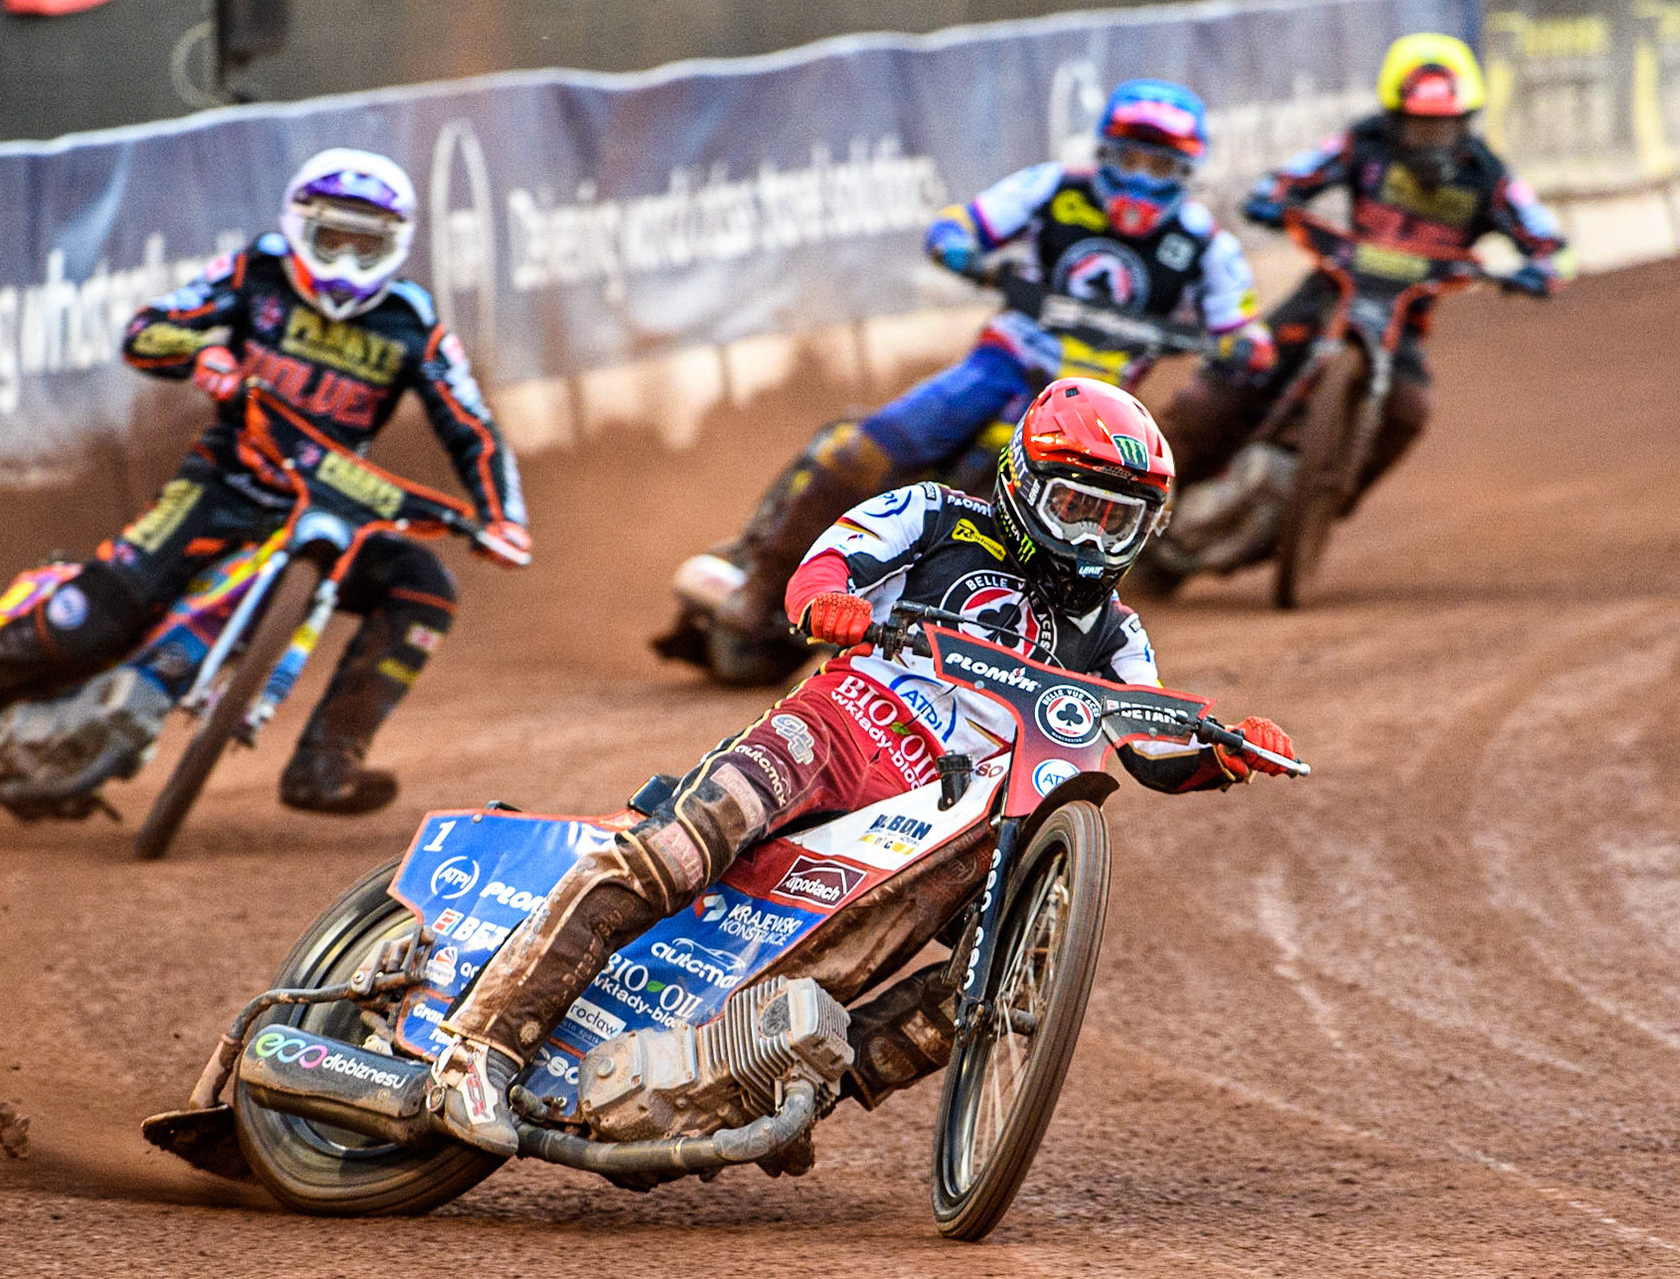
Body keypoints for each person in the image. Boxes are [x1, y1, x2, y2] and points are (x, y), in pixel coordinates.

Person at [430, 378, 1298, 1154]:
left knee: (986, 983)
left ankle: (783, 1086)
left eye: (1118, 522)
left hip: (947, 816)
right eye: (1077, 508)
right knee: (680, 850)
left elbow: (1153, 743)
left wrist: (1226, 750)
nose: (1092, 541)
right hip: (839, 730)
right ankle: (478, 1047)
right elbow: (825, 563)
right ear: (1027, 486)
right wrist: (829, 602)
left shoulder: (1118, 631)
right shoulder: (935, 515)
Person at [0, 147, 531, 815]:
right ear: (301, 226)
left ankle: (326, 762)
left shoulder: (413, 323)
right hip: (222, 483)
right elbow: (145, 332)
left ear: (397, 245)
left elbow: (470, 425)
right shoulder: (255, 271)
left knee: (425, 587)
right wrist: (201, 349)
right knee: (98, 619)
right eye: (333, 239)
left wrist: (502, 516)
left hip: (330, 506)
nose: (347, 263)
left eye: (368, 247)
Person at [712, 79, 1271, 642]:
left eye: (1158, 164)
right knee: (867, 449)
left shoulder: (1205, 244)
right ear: (1104, 153)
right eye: (1130, 157)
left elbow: (1240, 323)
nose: (1141, 177)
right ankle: (761, 587)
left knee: (1035, 529)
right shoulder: (1053, 188)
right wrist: (962, 250)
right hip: (1001, 363)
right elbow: (959, 225)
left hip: (1088, 408)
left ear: (1183, 173)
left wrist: (1247, 343)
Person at [1159, 32, 1566, 498]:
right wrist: (1271, 198)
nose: (1432, 142)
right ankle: (1145, 478)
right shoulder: (1363, 142)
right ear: (1394, 119)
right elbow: (1293, 176)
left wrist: (1542, 268)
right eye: (1419, 127)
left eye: (1445, 128)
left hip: (1405, 318)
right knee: (1234, 374)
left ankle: (1332, 500)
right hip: (1329, 290)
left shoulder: (1488, 175)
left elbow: (1551, 241)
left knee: (1410, 412)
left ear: (1467, 123)